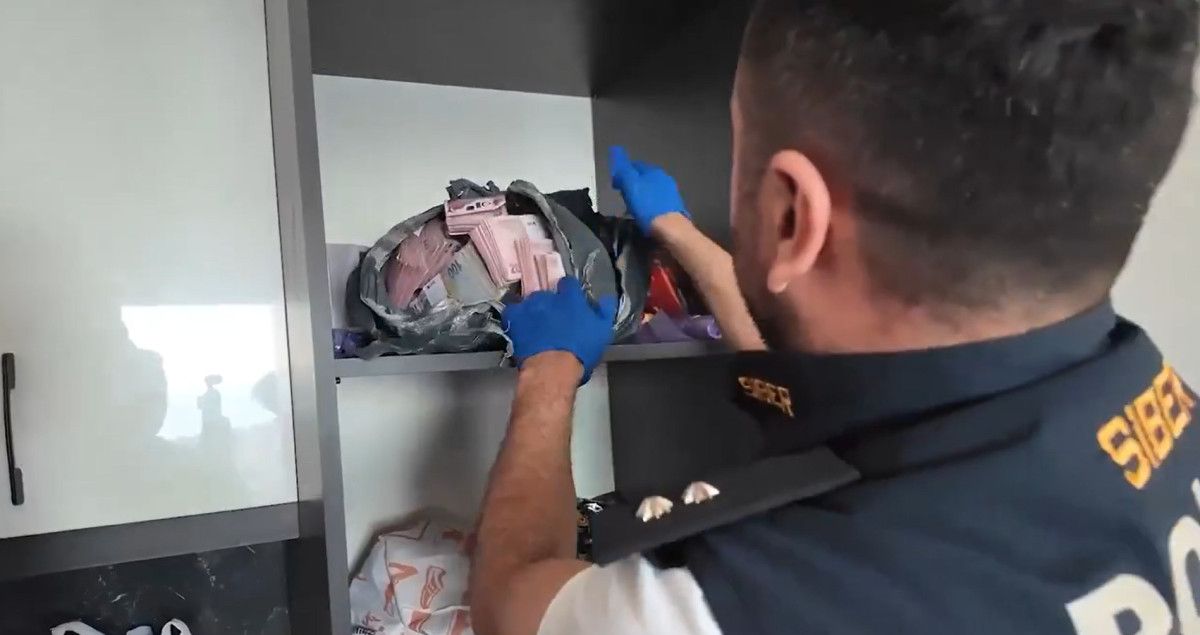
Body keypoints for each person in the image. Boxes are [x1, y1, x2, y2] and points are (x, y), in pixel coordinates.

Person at [468, 0, 1200, 633]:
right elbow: (836, 371)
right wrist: (681, 236)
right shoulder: (1153, 406)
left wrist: (549, 372)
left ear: (792, 215)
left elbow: (511, 606)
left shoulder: (743, 605)